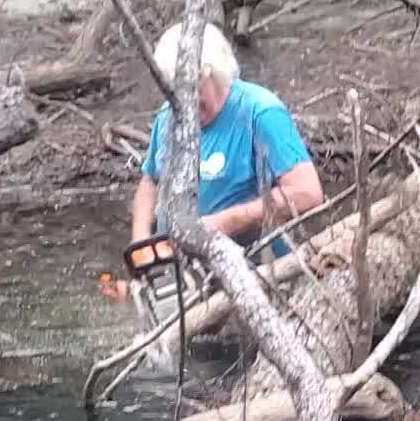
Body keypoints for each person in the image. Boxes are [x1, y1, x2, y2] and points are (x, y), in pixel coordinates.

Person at [128, 22, 324, 264]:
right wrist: (141, 242)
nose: (185, 106)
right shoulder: (168, 115)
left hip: (253, 267)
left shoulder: (260, 113)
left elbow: (308, 193)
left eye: (194, 93)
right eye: (176, 94)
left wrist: (226, 222)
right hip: (177, 268)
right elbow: (149, 180)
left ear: (215, 74)